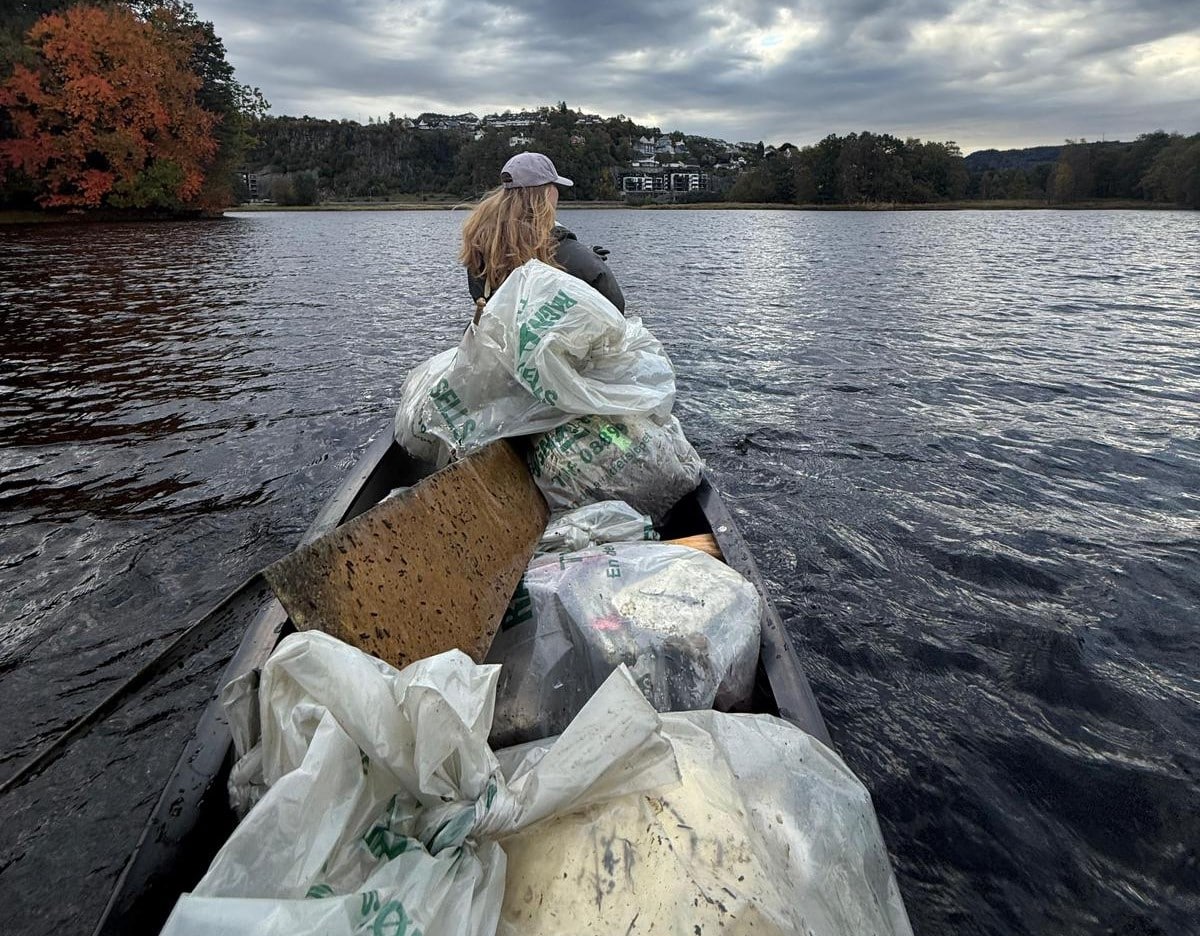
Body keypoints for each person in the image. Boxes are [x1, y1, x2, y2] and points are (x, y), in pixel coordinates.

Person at [460, 152, 625, 314]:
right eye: (555, 186)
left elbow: (480, 295)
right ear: (547, 192)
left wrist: (586, 256)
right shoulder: (561, 247)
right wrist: (587, 261)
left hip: (501, 338)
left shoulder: (482, 245)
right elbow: (615, 304)